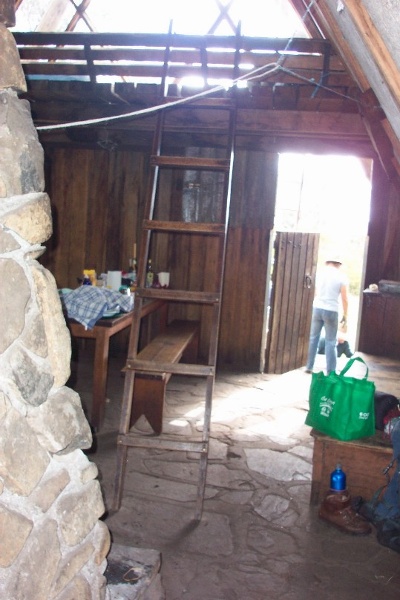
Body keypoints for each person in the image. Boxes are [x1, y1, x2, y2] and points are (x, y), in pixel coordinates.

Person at [306, 256, 349, 374]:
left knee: (313, 338)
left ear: (327, 262)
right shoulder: (341, 276)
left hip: (317, 308)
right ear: (338, 263)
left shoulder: (319, 273)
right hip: (331, 310)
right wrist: (345, 314)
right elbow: (344, 298)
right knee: (330, 341)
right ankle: (331, 371)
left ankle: (309, 366)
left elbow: (315, 292)